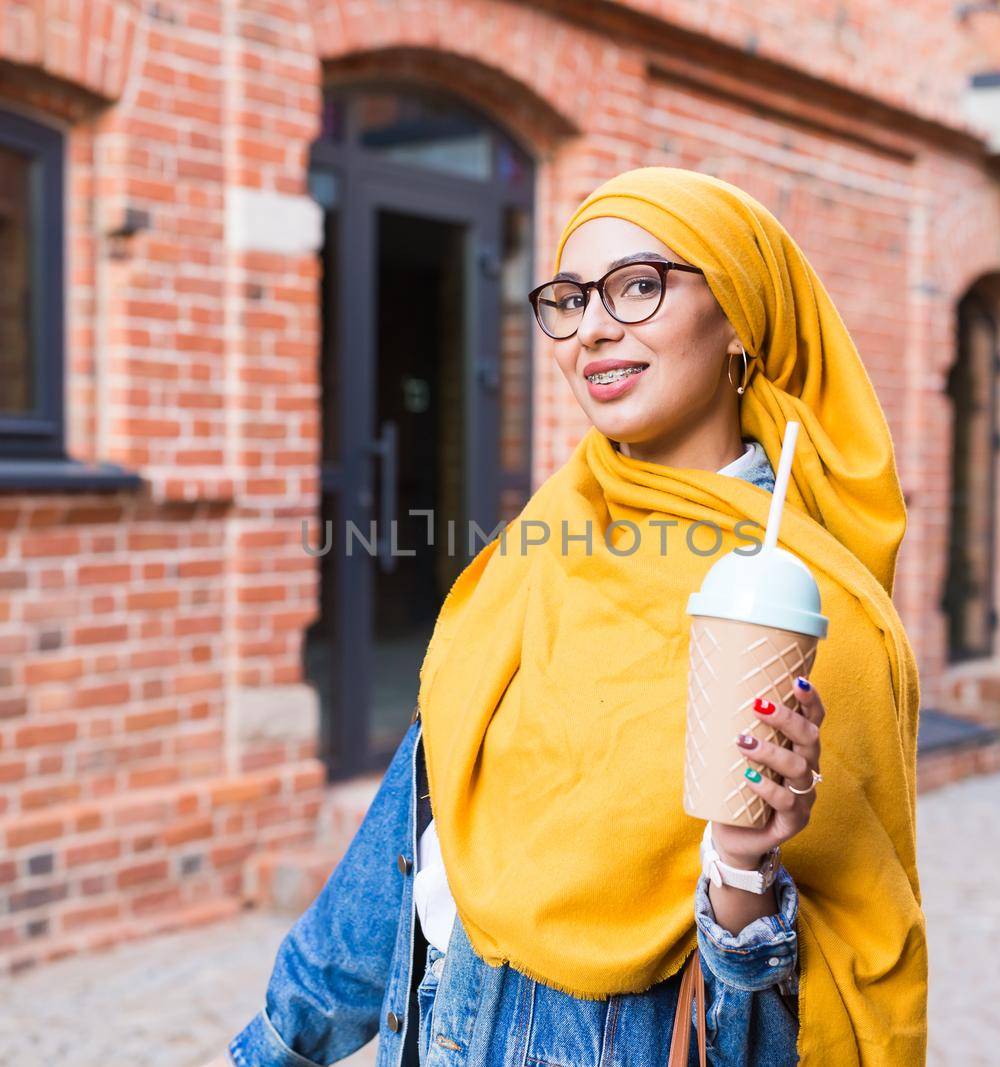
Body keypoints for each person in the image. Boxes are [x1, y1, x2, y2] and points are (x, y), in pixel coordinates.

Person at [217, 166, 927, 1067]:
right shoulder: (535, 549)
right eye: (568, 298)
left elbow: (811, 1018)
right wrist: (271, 1046)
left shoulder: (823, 618)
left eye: (638, 286)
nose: (592, 327)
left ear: (740, 317)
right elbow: (411, 827)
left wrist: (743, 871)